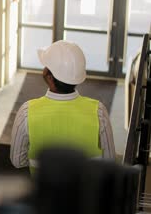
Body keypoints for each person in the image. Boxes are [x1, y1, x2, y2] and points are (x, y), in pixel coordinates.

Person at [10, 40, 115, 172]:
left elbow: (17, 161)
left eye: (46, 66)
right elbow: (109, 161)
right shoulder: (98, 112)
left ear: (49, 78)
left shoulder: (27, 112)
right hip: (87, 192)